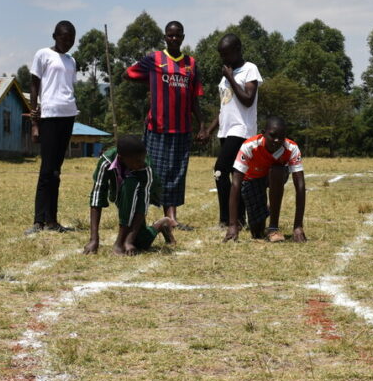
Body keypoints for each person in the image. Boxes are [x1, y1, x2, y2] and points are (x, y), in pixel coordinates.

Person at [125, 21, 205, 229]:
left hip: (182, 128)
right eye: (170, 36)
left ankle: (172, 218)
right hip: (157, 127)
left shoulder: (191, 63)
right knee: (155, 172)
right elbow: (128, 74)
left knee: (177, 173)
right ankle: (139, 215)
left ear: (183, 37)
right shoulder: (155, 59)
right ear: (165, 37)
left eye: (178, 36)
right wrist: (153, 82)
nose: (174, 39)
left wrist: (202, 125)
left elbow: (195, 98)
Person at [198, 33, 263, 227]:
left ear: (237, 50)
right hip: (226, 131)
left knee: (219, 170)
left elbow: (248, 99)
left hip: (242, 130)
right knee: (237, 174)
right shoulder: (227, 75)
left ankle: (226, 218)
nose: (223, 59)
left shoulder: (249, 69)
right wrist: (209, 130)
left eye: (226, 54)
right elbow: (224, 107)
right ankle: (238, 218)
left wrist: (231, 78)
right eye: (221, 55)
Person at [27, 20, 79, 235]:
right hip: (49, 115)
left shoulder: (71, 60)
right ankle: (38, 221)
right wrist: (34, 120)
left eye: (71, 40)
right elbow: (34, 85)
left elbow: (68, 87)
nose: (67, 43)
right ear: (54, 36)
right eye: (63, 38)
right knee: (46, 170)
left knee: (57, 171)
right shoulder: (43, 55)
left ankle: (52, 221)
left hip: (68, 115)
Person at [82, 135, 172, 256]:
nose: (141, 163)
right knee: (140, 242)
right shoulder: (106, 162)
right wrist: (94, 239)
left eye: (143, 159)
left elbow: (142, 204)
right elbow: (97, 196)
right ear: (121, 158)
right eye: (137, 161)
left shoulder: (145, 167)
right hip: (119, 193)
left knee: (138, 244)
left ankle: (120, 242)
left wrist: (128, 241)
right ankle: (161, 225)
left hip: (144, 191)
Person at [223, 116, 307, 243]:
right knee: (257, 232)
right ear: (263, 133)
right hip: (252, 179)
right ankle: (266, 208)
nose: (277, 140)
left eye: (281, 137)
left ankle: (273, 227)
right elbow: (235, 183)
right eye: (272, 136)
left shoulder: (291, 148)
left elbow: (300, 185)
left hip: (275, 177)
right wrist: (233, 225)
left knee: (277, 170)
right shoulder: (249, 146)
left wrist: (298, 226)